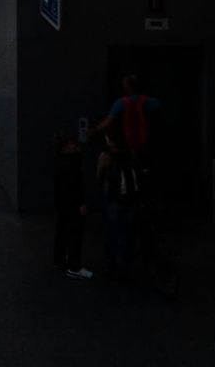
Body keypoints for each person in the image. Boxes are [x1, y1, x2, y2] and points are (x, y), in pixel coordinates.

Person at [96, 133, 141, 277]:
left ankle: (111, 265)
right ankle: (125, 265)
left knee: (112, 234)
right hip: (130, 200)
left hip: (113, 199)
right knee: (126, 234)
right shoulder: (131, 153)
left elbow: (99, 178)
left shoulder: (105, 156)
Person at [53, 133, 94, 280]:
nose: (75, 145)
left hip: (63, 204)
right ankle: (74, 266)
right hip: (73, 206)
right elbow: (76, 186)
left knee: (62, 232)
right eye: (72, 144)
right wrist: (81, 203)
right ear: (66, 146)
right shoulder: (73, 164)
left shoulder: (60, 162)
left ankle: (59, 259)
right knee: (75, 235)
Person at [95, 74, 161, 162]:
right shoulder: (150, 102)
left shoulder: (121, 103)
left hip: (127, 144)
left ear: (128, 87)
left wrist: (94, 129)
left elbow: (108, 121)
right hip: (148, 143)